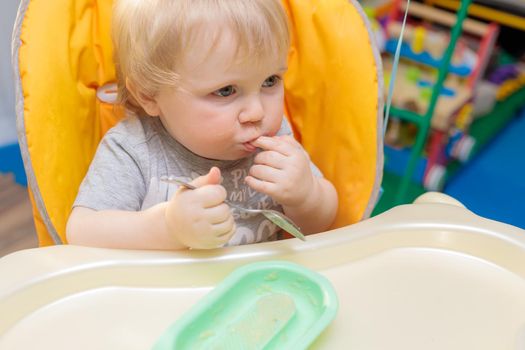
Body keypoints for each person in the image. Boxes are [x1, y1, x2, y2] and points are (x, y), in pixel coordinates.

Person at [66, 0, 338, 250]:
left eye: (270, 81)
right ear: (149, 95)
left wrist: (306, 197)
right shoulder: (133, 149)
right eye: (226, 90)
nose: (256, 113)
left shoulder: (276, 138)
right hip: (169, 300)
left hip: (261, 292)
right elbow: (81, 232)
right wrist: (168, 228)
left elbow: (319, 226)